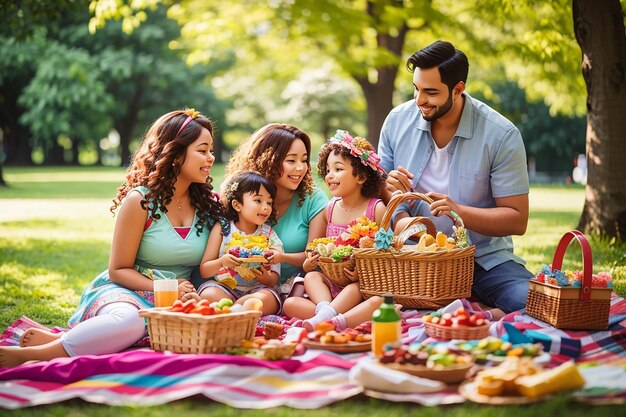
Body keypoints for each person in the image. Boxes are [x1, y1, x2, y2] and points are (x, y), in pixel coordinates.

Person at [0, 109, 223, 367]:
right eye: (203, 150)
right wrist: (164, 289)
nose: (211, 158)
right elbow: (118, 270)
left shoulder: (209, 205)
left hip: (178, 301)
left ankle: (63, 339)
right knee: (132, 321)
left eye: (211, 150)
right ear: (175, 154)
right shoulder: (140, 201)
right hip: (127, 291)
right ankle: (37, 354)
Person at [378, 40, 533, 319]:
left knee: (533, 301)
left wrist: (458, 212)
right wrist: (397, 206)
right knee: (364, 301)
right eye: (416, 88)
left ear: (458, 89)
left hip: (483, 260)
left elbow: (516, 219)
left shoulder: (501, 135)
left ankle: (481, 315)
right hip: (414, 259)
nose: (419, 100)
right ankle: (474, 313)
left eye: (431, 92)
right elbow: (379, 188)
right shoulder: (396, 121)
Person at [283, 130, 387, 331]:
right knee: (299, 293)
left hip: (360, 287)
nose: (330, 176)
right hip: (329, 287)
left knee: (376, 302)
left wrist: (360, 274)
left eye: (338, 169)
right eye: (328, 169)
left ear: (362, 176)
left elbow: (386, 256)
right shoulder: (329, 209)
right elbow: (310, 261)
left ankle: (330, 320)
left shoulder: (376, 209)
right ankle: (329, 314)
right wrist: (309, 262)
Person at [226, 123, 328, 298]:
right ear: (268, 161)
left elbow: (313, 258)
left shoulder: (313, 199)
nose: (300, 168)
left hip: (290, 292)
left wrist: (282, 257)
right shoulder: (242, 196)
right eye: (291, 160)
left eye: (304, 160)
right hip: (237, 285)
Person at [192, 171, 283, 315]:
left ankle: (234, 311)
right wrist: (222, 261)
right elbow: (205, 270)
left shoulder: (269, 234)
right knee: (208, 294)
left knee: (265, 299)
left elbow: (273, 280)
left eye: (269, 202)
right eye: (258, 200)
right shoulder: (222, 229)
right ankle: (240, 312)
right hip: (225, 289)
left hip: (257, 290)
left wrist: (265, 276)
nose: (265, 207)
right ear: (237, 204)